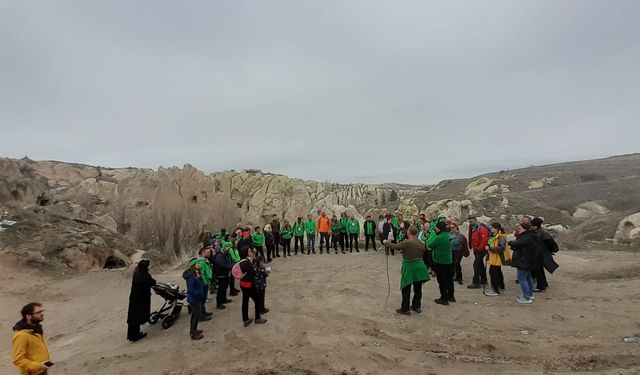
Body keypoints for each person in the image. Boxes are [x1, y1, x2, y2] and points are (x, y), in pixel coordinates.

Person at [384, 227, 430, 315]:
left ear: (409, 232)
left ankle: (405, 309)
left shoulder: (407, 242)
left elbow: (396, 246)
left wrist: (386, 243)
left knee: (406, 288)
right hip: (420, 267)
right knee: (418, 288)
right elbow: (425, 254)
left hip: (409, 267)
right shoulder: (421, 242)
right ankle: (417, 306)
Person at [12, 302, 51, 375]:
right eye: (39, 312)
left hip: (41, 370)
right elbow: (18, 359)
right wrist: (38, 366)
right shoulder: (22, 335)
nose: (42, 314)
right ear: (28, 316)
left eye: (42, 311)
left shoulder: (36, 328)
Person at [508, 222, 539, 304]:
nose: (518, 230)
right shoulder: (530, 236)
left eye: (519, 229)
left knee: (522, 278)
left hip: (524, 261)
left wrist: (511, 243)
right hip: (527, 261)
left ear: (525, 229)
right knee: (528, 278)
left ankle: (526, 296)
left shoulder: (527, 237)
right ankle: (529, 294)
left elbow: (518, 243)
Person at [126, 259, 156, 342]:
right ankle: (136, 335)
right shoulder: (144, 275)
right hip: (141, 299)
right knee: (137, 317)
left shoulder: (137, 273)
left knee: (133, 317)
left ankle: (131, 335)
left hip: (134, 297)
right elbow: (152, 282)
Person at [238, 247, 267, 326]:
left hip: (243, 284)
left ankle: (245, 320)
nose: (251, 251)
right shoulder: (247, 262)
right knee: (257, 300)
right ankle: (257, 318)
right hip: (249, 285)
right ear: (247, 253)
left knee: (245, 302)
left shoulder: (241, 260)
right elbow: (252, 273)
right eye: (250, 251)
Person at [428, 222, 455, 305]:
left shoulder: (439, 237)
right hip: (449, 260)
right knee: (449, 279)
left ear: (439, 228)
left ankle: (444, 298)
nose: (435, 229)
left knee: (442, 280)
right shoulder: (449, 236)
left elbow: (430, 245)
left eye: (436, 228)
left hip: (440, 261)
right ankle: (451, 296)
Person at [531, 217, 559, 292]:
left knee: (538, 270)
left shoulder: (542, 233)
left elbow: (550, 243)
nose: (531, 227)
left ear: (536, 226)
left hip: (540, 254)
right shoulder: (539, 232)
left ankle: (541, 287)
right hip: (539, 254)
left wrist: (550, 250)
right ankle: (543, 284)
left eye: (532, 225)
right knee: (539, 270)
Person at [484, 222, 510, 296]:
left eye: (492, 228)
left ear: (496, 228)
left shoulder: (501, 236)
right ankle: (500, 285)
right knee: (497, 271)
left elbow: (501, 248)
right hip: (493, 257)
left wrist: (490, 248)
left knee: (493, 273)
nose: (490, 229)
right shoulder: (493, 235)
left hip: (497, 258)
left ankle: (495, 290)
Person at [184, 259, 205, 340]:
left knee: (194, 315)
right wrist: (199, 294)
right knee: (196, 316)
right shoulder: (191, 276)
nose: (199, 265)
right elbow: (191, 289)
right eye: (198, 263)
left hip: (196, 298)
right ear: (193, 265)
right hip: (194, 299)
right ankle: (193, 334)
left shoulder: (195, 273)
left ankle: (194, 330)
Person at [467, 216, 490, 289]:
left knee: (476, 264)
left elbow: (484, 240)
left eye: (472, 221)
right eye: (470, 221)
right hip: (476, 250)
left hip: (481, 250)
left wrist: (478, 248)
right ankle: (484, 280)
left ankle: (476, 282)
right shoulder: (474, 228)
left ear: (475, 221)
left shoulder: (481, 229)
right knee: (480, 264)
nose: (471, 223)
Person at [213, 242, 233, 309]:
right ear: (224, 247)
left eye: (229, 247)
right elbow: (222, 265)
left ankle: (224, 299)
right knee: (221, 289)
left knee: (225, 287)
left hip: (226, 273)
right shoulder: (220, 255)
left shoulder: (226, 253)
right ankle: (219, 303)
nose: (229, 248)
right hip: (220, 274)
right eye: (227, 247)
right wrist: (230, 267)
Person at [194, 247, 213, 317]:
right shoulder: (201, 262)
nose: (209, 253)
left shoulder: (205, 260)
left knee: (203, 299)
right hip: (203, 284)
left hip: (206, 282)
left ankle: (203, 312)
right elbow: (201, 274)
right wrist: (205, 282)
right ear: (203, 253)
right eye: (208, 252)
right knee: (202, 300)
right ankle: (201, 315)